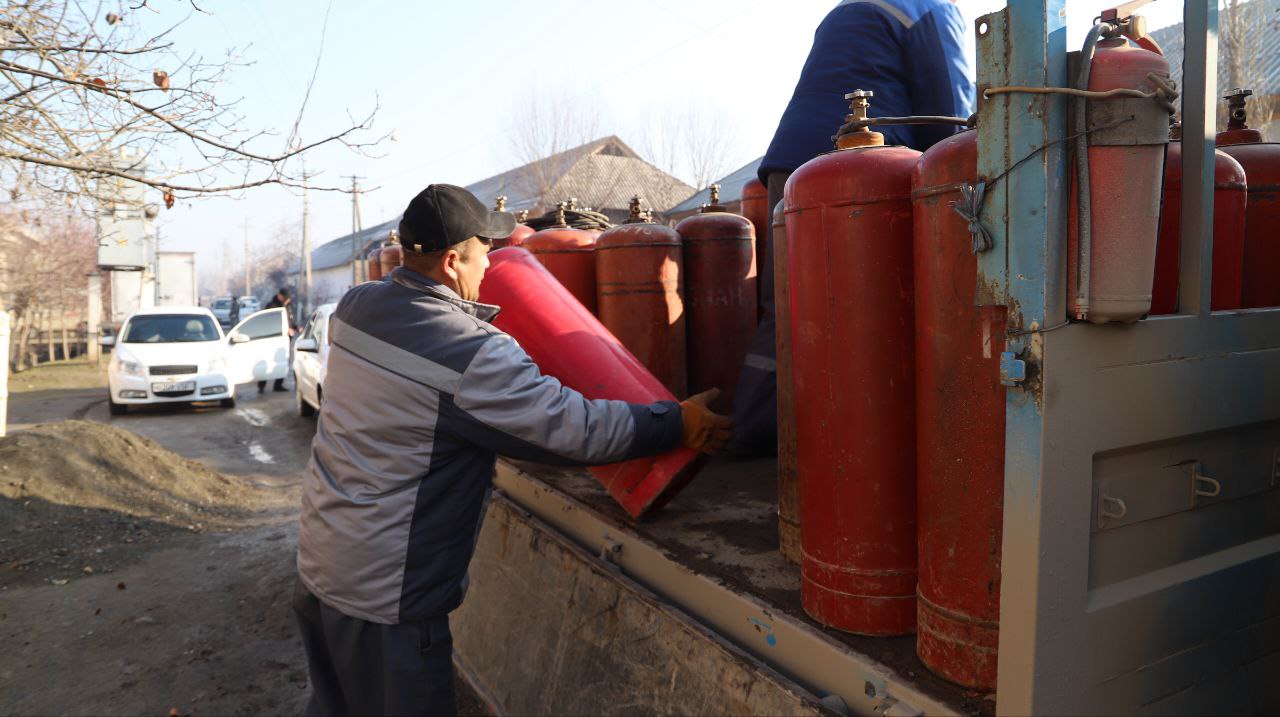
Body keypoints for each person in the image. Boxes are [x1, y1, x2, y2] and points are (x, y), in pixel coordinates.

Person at [293, 184, 733, 716]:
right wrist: (674, 423)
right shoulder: (470, 351)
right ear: (454, 261)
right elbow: (572, 430)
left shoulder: (358, 307)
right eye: (485, 251)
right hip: (387, 596)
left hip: (321, 566)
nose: (492, 264)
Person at [730, 0, 976, 456]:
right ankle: (862, 449)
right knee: (869, 312)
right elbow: (950, 114)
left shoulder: (852, 8)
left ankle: (751, 430)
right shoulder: (932, 9)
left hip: (789, 165)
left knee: (787, 306)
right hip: (861, 170)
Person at [258, 288, 297, 393]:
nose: (287, 301)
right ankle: (261, 386)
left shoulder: (288, 306)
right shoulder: (271, 306)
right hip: (272, 338)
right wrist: (285, 329)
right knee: (267, 361)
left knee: (283, 361)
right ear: (280, 296)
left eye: (288, 299)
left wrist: (295, 327)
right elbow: (268, 323)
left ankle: (278, 385)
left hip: (285, 340)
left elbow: (290, 321)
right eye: (285, 298)